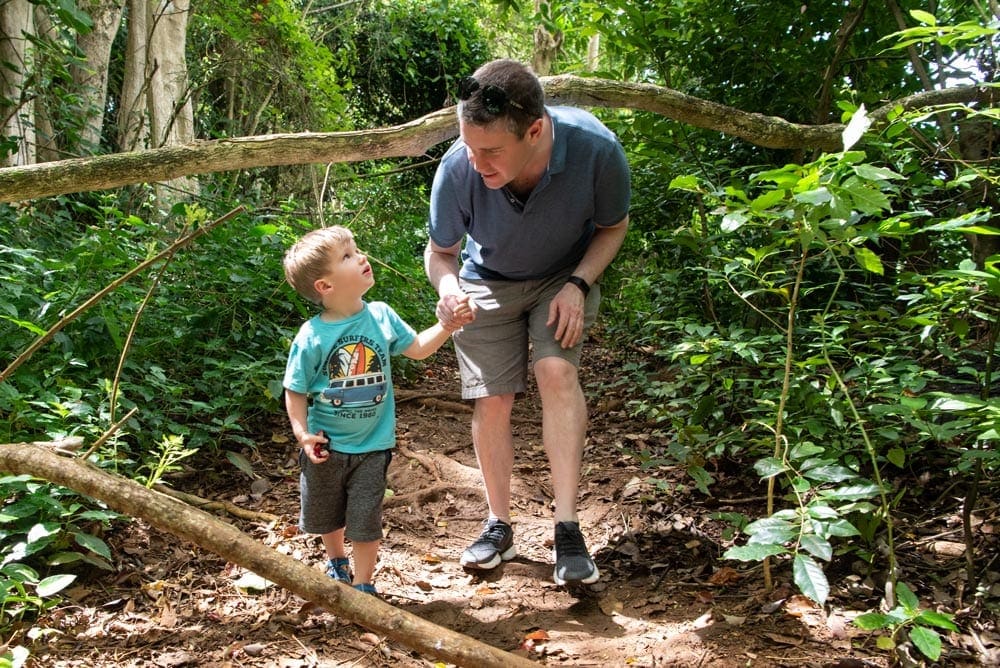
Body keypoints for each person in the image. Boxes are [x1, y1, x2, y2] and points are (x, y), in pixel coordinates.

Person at [424, 59, 631, 586]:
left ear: (535, 130)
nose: (477, 162)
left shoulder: (595, 149)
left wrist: (579, 285)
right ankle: (498, 524)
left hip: (562, 276)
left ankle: (567, 528)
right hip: (485, 279)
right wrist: (449, 292)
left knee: (556, 372)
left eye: (491, 151)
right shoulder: (457, 167)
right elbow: (441, 252)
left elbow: (613, 225)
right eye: (470, 147)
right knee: (492, 397)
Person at [283, 225, 469, 596]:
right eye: (348, 256)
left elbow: (416, 347)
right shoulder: (312, 335)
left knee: (366, 517)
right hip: (327, 445)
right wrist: (303, 435)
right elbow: (296, 390)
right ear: (325, 286)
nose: (362, 257)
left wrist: (447, 326)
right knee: (326, 511)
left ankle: (364, 584)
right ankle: (336, 560)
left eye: (356, 250)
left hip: (373, 445)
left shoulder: (381, 315)